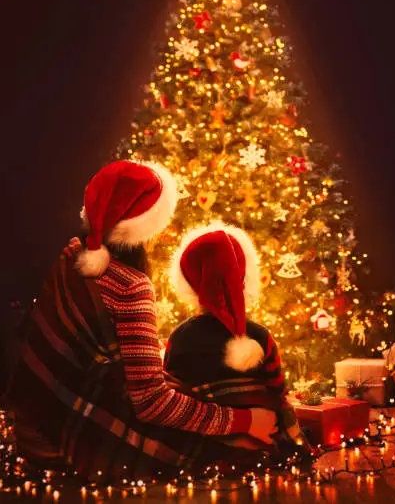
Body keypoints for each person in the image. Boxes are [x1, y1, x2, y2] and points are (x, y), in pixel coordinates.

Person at [6, 160, 276, 481]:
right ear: (145, 227)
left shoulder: (74, 253)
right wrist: (245, 421)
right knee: (240, 450)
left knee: (187, 397)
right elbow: (151, 403)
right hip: (67, 444)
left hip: (29, 428)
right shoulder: (130, 285)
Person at [164, 222, 311, 470]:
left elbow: (172, 386)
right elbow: (278, 390)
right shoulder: (261, 336)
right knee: (283, 406)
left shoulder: (179, 337)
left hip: (204, 447)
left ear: (190, 281)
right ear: (242, 276)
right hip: (262, 446)